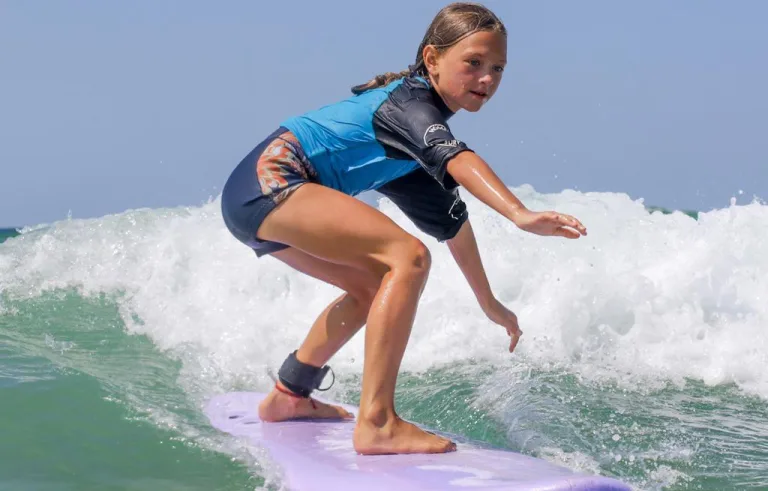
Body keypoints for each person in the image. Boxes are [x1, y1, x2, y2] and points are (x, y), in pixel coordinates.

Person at [220, 2, 587, 456]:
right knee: (407, 257)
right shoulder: (409, 106)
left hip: (251, 201)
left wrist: (488, 302)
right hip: (271, 182)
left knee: (373, 286)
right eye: (473, 63)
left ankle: (289, 395)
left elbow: (453, 224)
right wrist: (519, 213)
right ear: (432, 59)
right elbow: (457, 156)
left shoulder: (406, 146)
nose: (487, 79)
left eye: (497, 68)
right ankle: (377, 422)